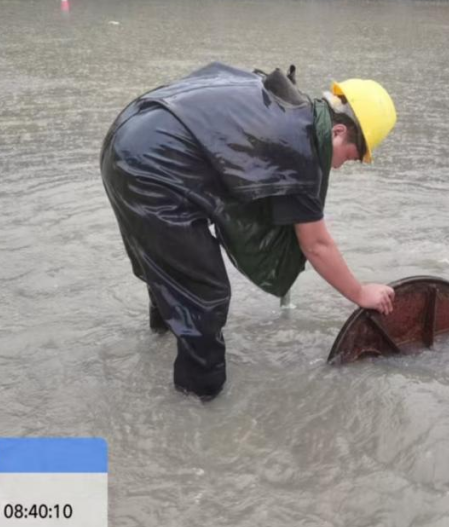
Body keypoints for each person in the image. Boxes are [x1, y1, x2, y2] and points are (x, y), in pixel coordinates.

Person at [100, 64, 398, 400]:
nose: (343, 164)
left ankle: (161, 339)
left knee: (175, 267)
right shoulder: (302, 146)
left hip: (127, 137)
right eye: (352, 156)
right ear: (339, 132)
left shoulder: (289, 108)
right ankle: (198, 403)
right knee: (205, 296)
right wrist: (360, 292)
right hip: (150, 167)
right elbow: (316, 244)